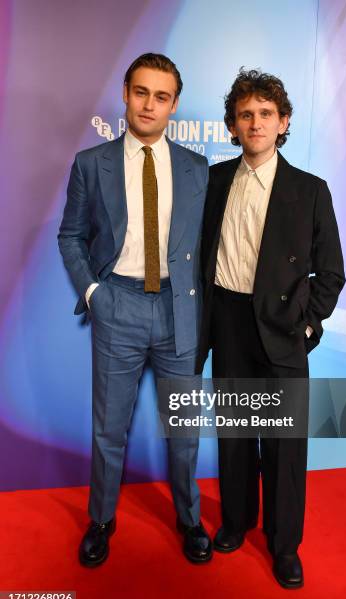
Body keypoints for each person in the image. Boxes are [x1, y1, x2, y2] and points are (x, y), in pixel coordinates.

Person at [58, 53, 212, 567]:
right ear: (125, 93)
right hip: (117, 303)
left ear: (174, 105)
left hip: (177, 311)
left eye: (161, 96)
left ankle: (189, 520)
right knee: (109, 429)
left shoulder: (196, 168)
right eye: (141, 92)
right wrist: (93, 294)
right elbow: (71, 236)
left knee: (184, 429)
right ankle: (101, 520)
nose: (150, 104)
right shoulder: (90, 163)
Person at [196, 69, 345, 588]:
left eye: (265, 114)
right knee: (236, 436)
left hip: (283, 329)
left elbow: (331, 272)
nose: (255, 123)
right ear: (232, 126)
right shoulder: (213, 181)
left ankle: (285, 546)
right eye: (245, 115)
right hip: (228, 323)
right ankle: (236, 522)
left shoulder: (309, 190)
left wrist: (306, 327)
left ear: (283, 123)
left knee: (283, 445)